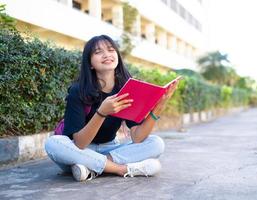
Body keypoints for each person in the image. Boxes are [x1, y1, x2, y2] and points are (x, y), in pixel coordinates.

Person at [45, 35, 179, 181]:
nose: (106, 54)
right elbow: (80, 143)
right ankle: (121, 169)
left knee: (156, 143)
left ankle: (92, 167)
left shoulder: (128, 89)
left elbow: (137, 137)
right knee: (53, 143)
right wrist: (102, 112)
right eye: (98, 52)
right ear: (90, 63)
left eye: (111, 50)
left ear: (117, 56)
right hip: (78, 151)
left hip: (110, 149)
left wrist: (156, 110)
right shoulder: (78, 91)